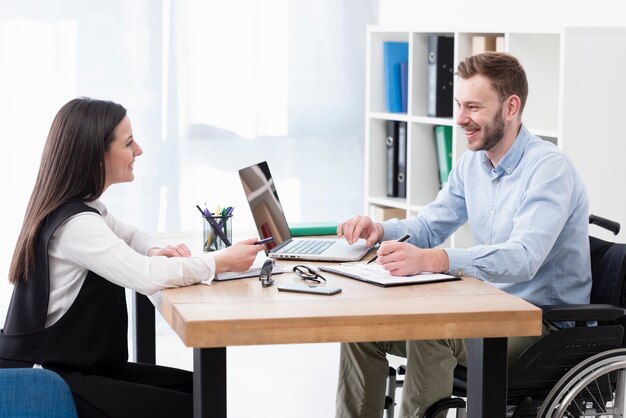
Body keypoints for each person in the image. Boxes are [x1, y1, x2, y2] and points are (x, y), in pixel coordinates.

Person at [335, 52, 591, 418]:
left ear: (510, 107)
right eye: (458, 105)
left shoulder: (549, 169)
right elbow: (430, 225)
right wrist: (379, 230)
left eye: (473, 106)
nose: (460, 119)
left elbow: (523, 257)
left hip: (539, 325)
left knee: (434, 329)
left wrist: (438, 260)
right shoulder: (474, 162)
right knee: (362, 330)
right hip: (488, 310)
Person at [0, 97, 265, 418]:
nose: (138, 150)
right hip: (54, 379)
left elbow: (131, 235)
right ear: (96, 156)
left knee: (201, 390)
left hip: (78, 369)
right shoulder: (76, 226)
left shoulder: (83, 209)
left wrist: (154, 249)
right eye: (128, 143)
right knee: (196, 404)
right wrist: (220, 262)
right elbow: (146, 277)